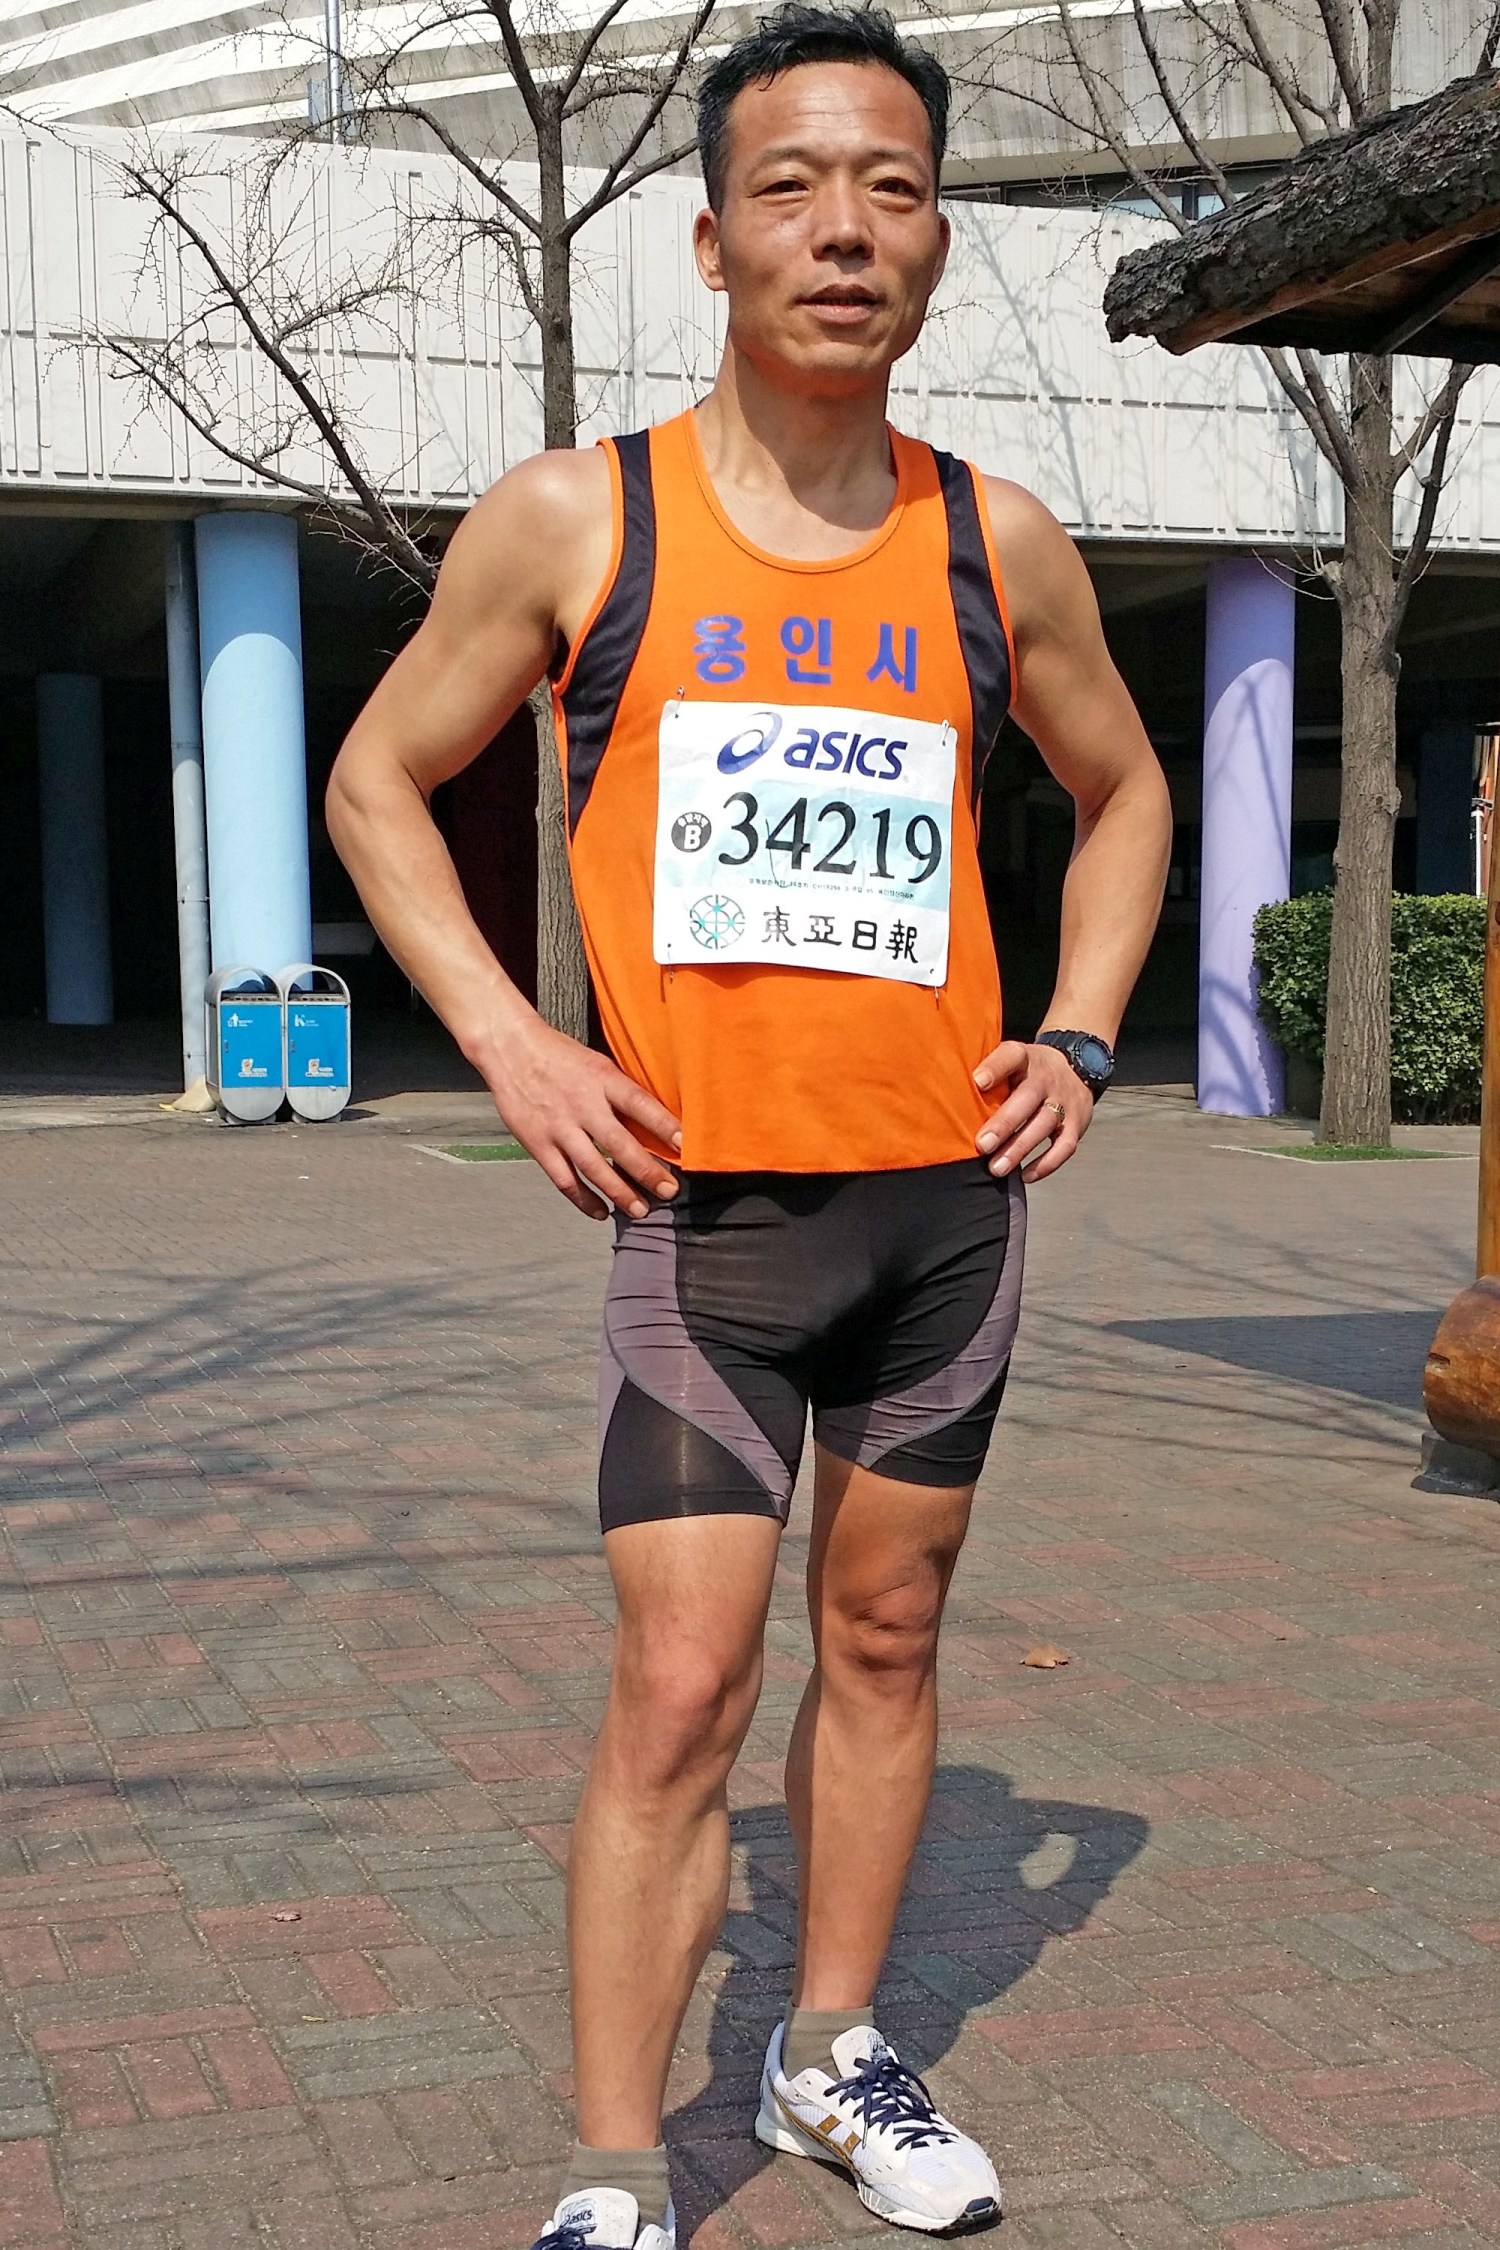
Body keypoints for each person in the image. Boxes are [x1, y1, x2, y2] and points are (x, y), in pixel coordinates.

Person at [327, 6, 1171, 2242]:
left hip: (947, 1218)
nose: (845, 230)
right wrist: (515, 1044)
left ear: (941, 243)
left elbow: (1125, 792)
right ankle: (619, 2164)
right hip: (709, 1221)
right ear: (711, 241)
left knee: (885, 1640)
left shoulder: (997, 542)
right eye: (792, 187)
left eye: (894, 189)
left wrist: (1082, 1034)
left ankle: (824, 2055)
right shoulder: (580, 518)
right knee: (686, 1681)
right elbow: (377, 778)